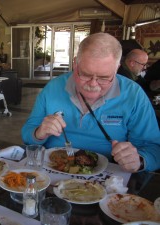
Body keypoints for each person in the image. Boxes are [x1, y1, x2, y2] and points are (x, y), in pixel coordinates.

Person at [21, 32, 160, 173]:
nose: (93, 84)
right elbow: (27, 135)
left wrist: (140, 160)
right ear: (75, 63)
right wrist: (39, 133)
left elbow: (154, 148)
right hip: (53, 170)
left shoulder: (134, 95)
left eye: (104, 77)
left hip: (109, 177)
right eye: (85, 74)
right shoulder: (53, 88)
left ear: (117, 68)